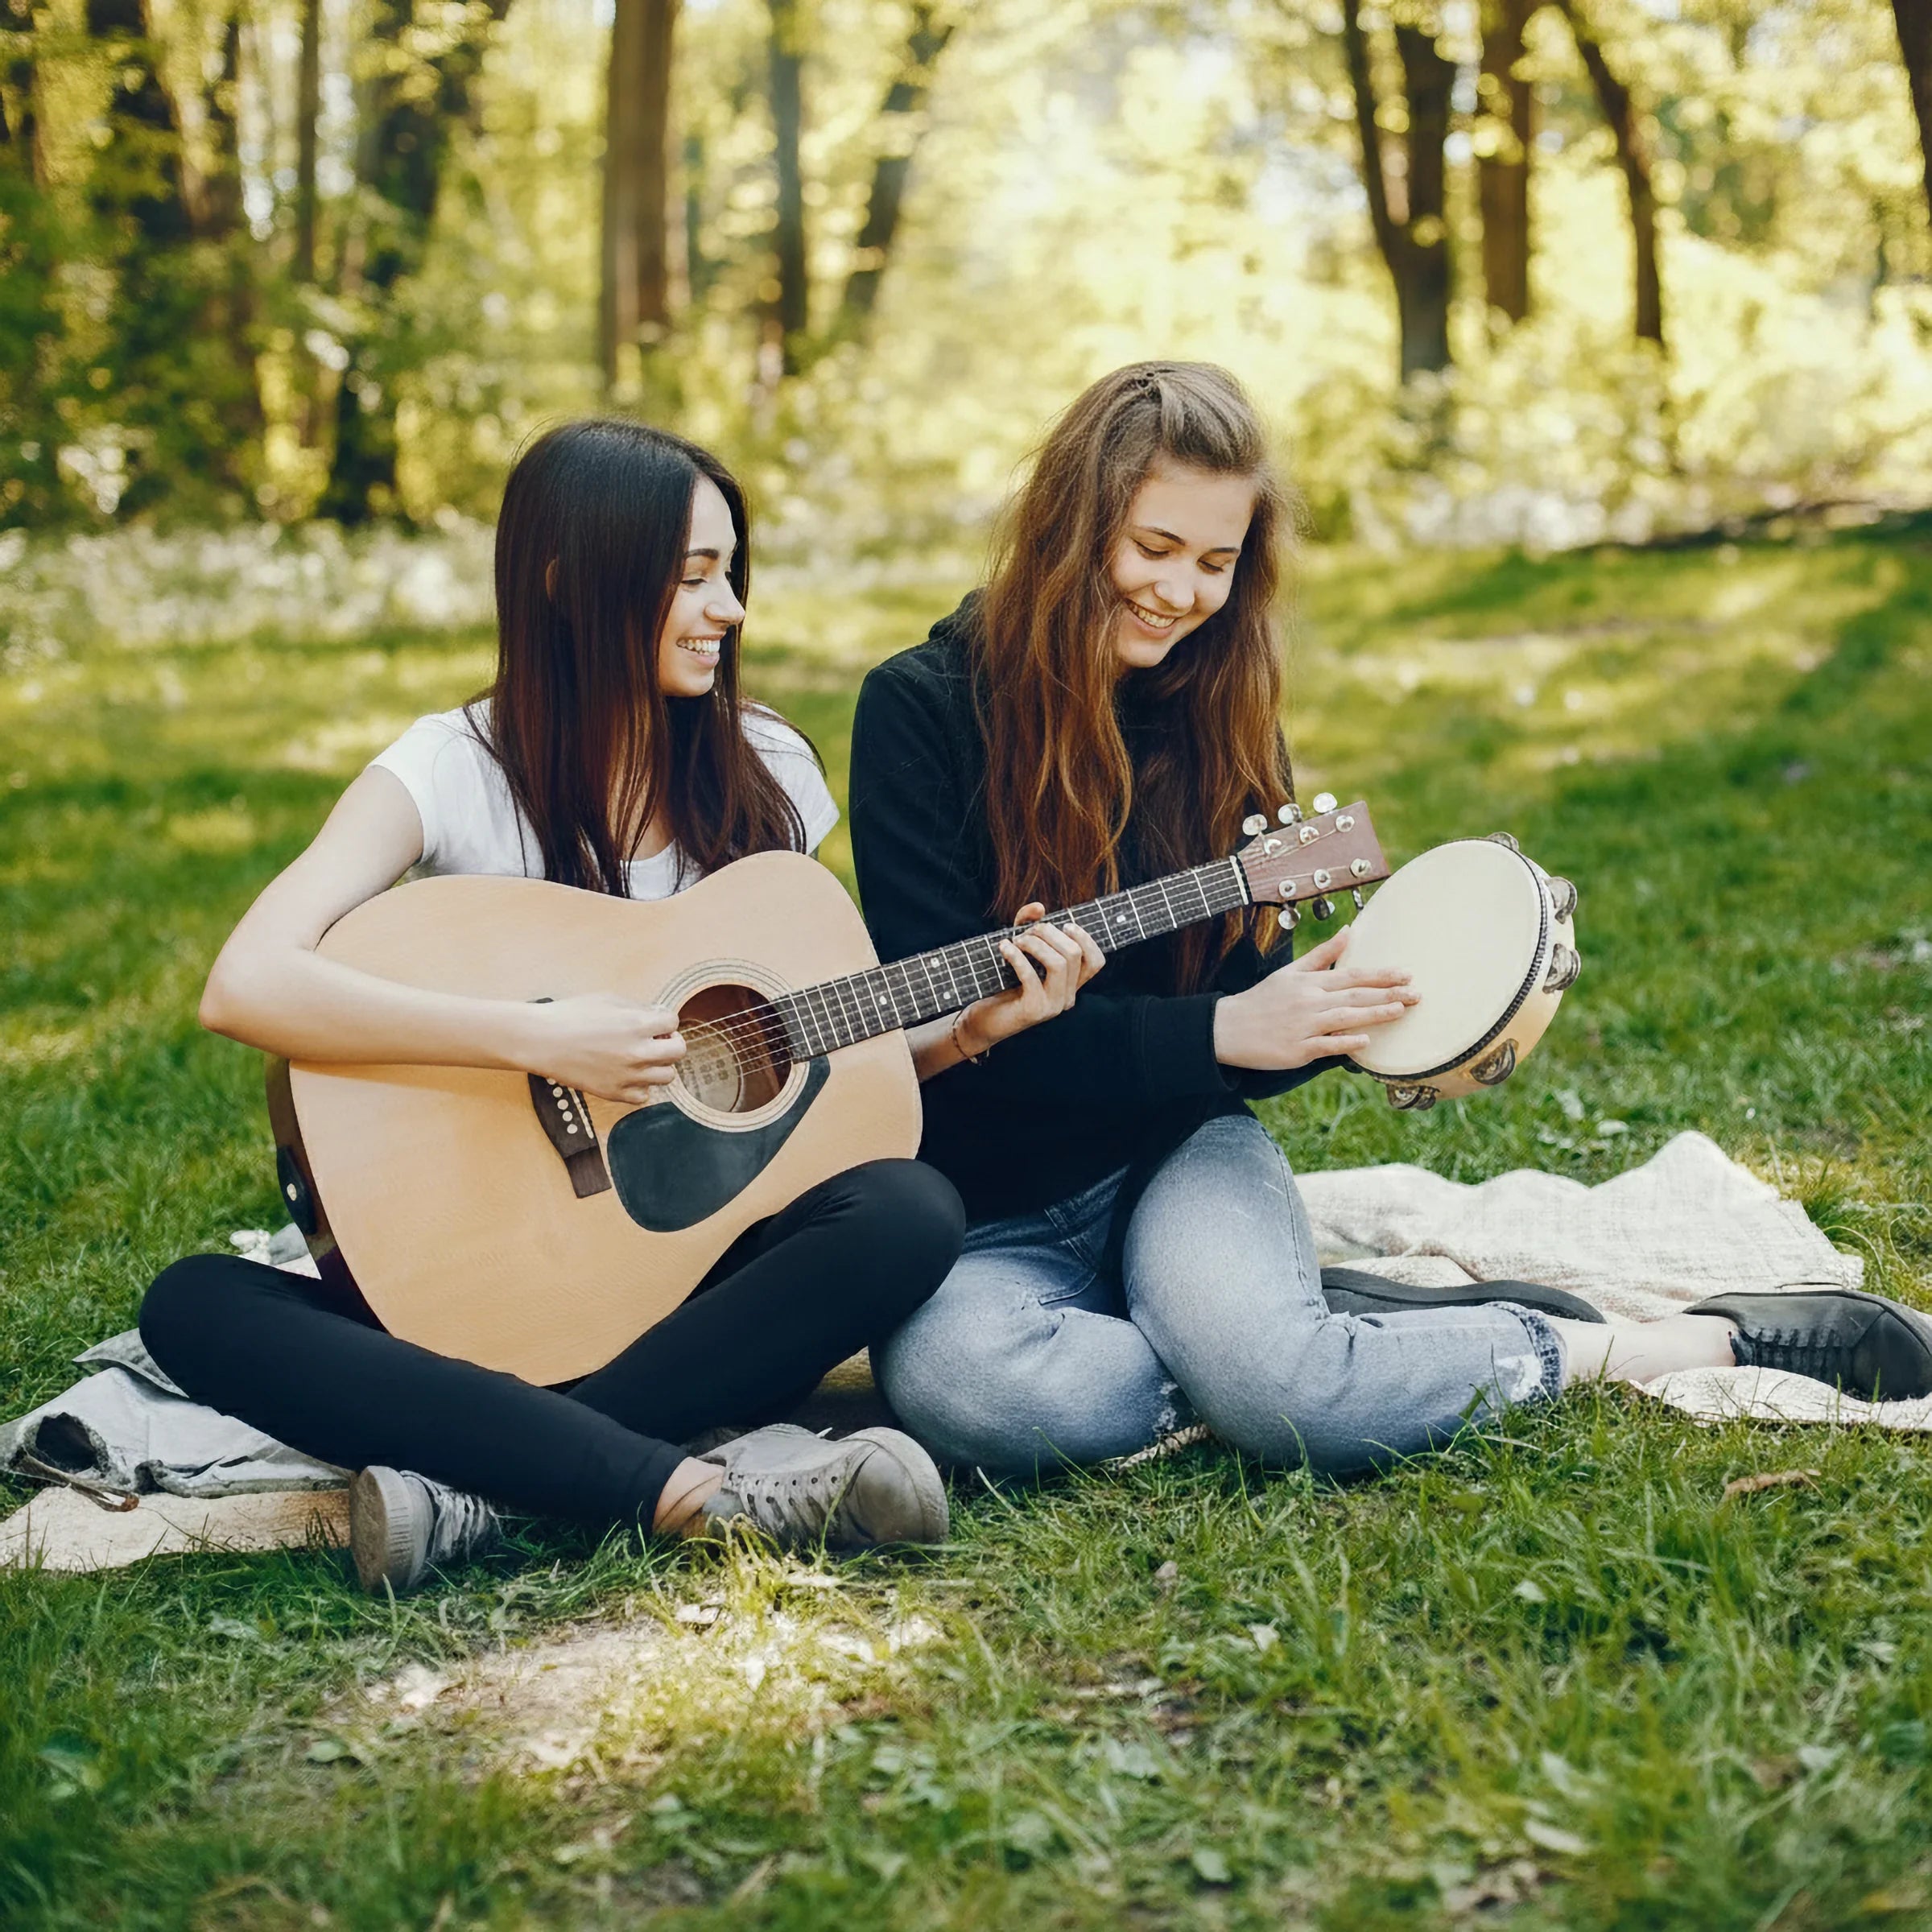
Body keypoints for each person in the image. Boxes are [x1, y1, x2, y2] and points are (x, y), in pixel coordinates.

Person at [846, 361, 1932, 1480]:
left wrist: (1310, 1017)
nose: (1180, 593)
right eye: (1154, 547)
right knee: (969, 1390)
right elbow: (938, 1039)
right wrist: (1222, 1033)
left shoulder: (1217, 706)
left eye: (1216, 562)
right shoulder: (919, 709)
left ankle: (1667, 1343)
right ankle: (1300, 1350)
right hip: (985, 1208)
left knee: (1270, 1381)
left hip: (1173, 1153)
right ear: (1072, 532)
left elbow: (1241, 1035)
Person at [138, 419, 1102, 1593]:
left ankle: (489, 1483)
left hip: (676, 1281)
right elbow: (247, 982)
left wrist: (967, 1032)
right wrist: (538, 1037)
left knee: (908, 1209)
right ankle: (681, 1488)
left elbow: (802, 1048)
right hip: (485, 1257)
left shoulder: (769, 771)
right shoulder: (447, 771)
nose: (730, 610)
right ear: (570, 583)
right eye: (694, 576)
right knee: (193, 1305)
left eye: (732, 573)